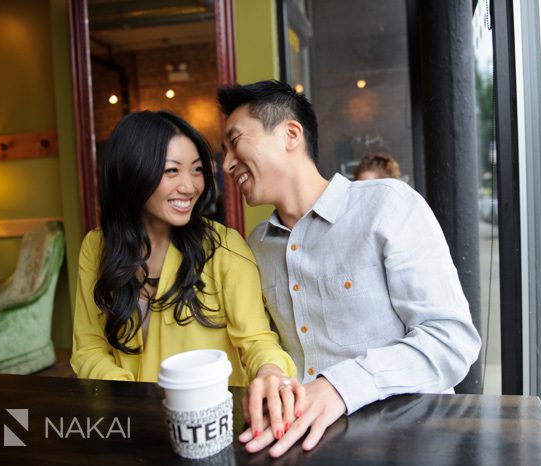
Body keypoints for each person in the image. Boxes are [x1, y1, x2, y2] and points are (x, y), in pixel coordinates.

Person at [218, 80, 481, 458]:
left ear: (291, 134)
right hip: (304, 446)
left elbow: (451, 341)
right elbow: (264, 342)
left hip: (409, 444)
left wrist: (339, 386)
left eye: (235, 141)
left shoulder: (388, 205)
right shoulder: (255, 246)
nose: (226, 164)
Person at [71, 110, 304, 436]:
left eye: (197, 171)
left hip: (210, 427)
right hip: (128, 427)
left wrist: (269, 370)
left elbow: (256, 340)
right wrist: (134, 401)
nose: (190, 186)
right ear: (133, 173)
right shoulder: (96, 247)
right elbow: (89, 349)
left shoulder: (224, 247)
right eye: (172, 171)